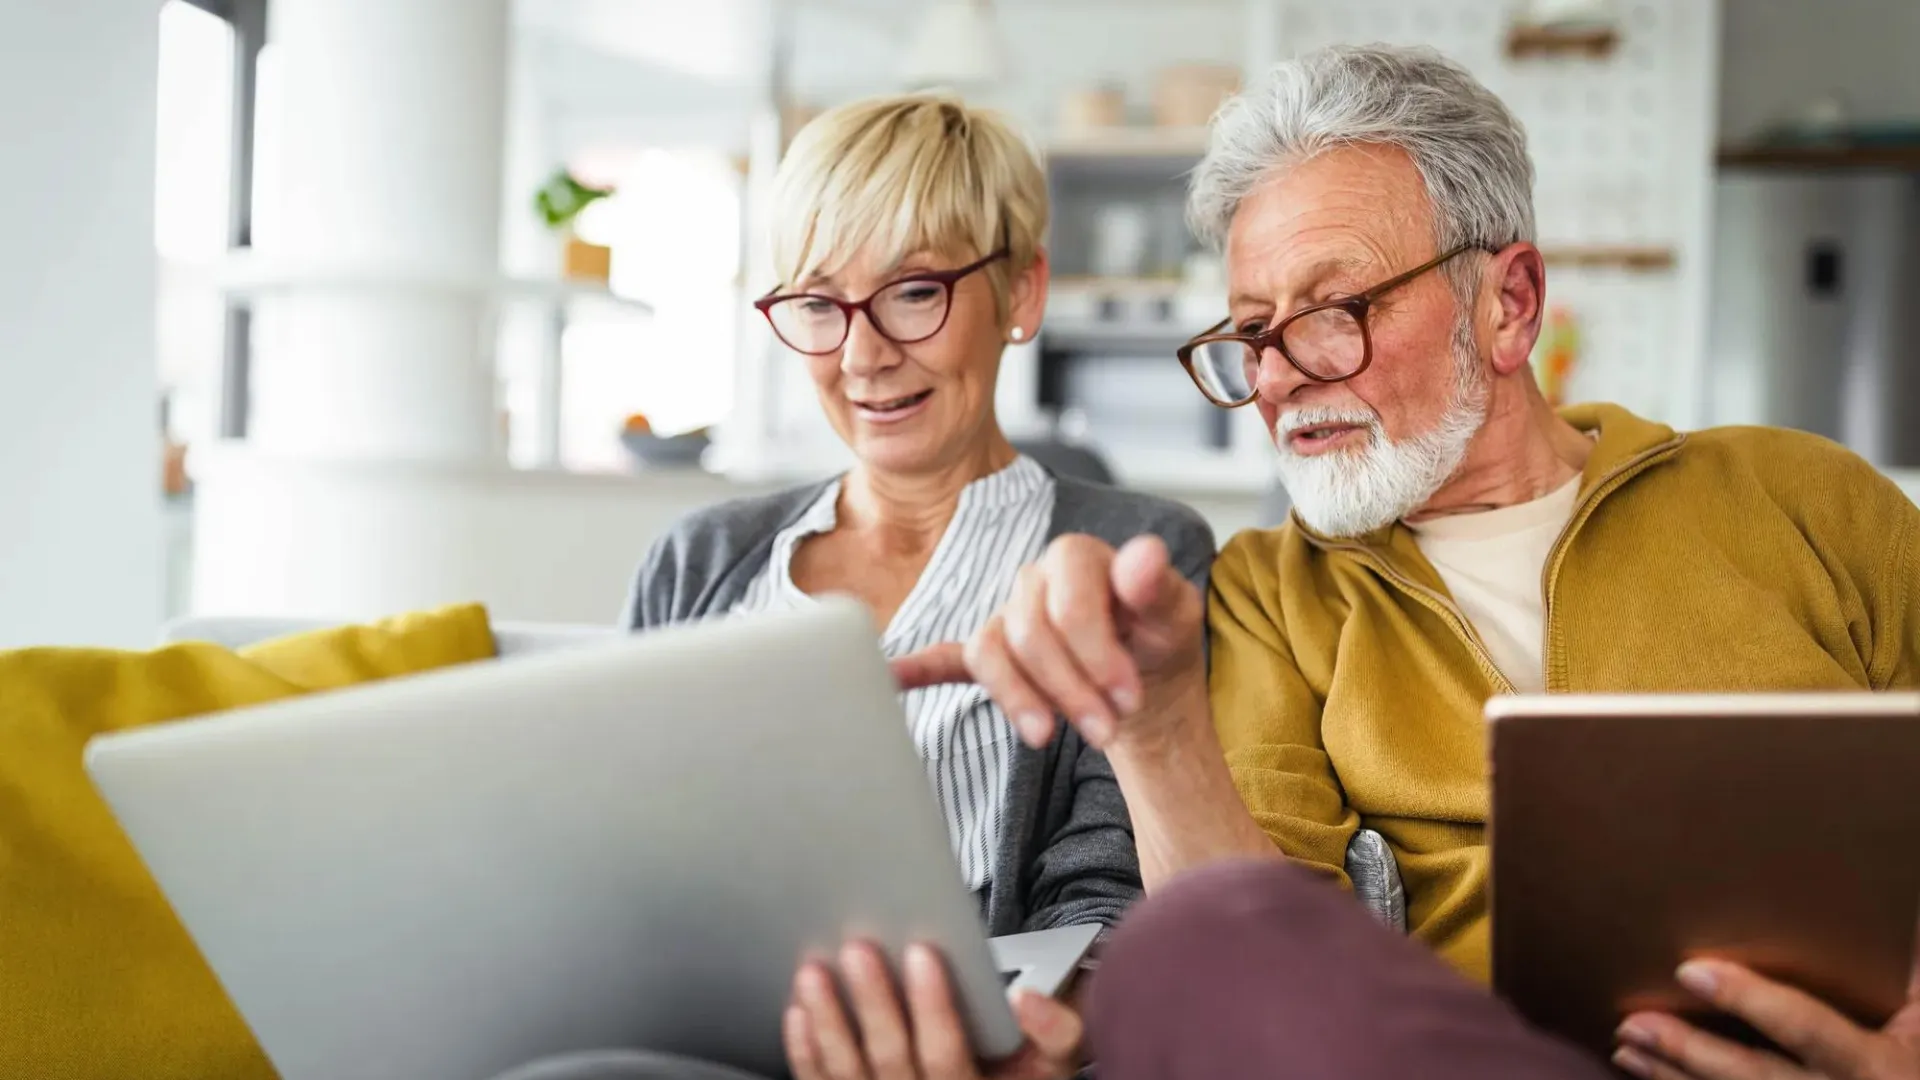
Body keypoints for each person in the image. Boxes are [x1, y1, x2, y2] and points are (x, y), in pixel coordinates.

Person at [787, 45, 1920, 1080]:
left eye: (1333, 311)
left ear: (1509, 305)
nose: (1277, 377)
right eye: (1249, 331)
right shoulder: (1271, 594)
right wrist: (1157, 724)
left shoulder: (1802, 498)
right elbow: (1247, 971)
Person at [622, 93, 1212, 958]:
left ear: (1022, 289)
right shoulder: (699, 559)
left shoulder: (1137, 559)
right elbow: (621, 855)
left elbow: (1105, 915)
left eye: (912, 292)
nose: (863, 356)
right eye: (819, 304)